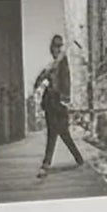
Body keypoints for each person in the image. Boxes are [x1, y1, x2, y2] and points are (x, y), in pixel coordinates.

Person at [32, 33, 85, 179]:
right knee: (60, 133)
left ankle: (46, 164)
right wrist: (39, 83)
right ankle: (77, 158)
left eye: (58, 46)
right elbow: (41, 77)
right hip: (50, 102)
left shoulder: (62, 62)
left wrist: (65, 98)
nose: (55, 49)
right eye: (54, 46)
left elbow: (66, 80)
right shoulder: (51, 64)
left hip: (59, 102)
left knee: (57, 133)